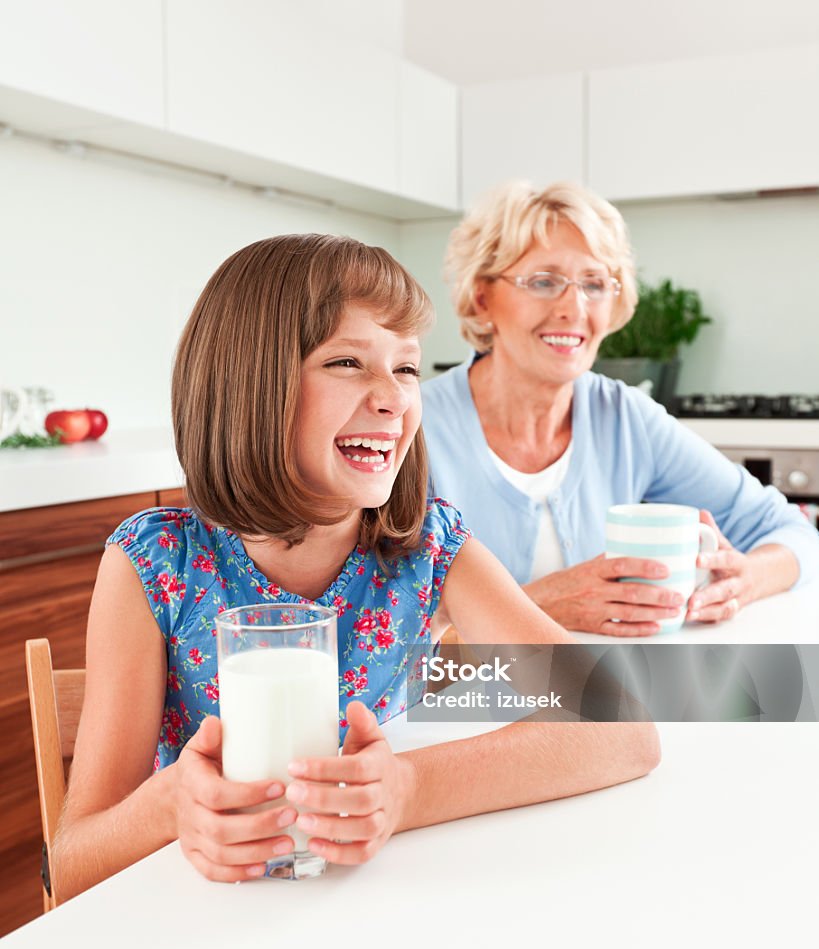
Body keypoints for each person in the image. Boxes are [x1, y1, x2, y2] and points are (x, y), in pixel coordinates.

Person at [52, 234, 659, 900]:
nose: (394, 399)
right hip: (212, 907)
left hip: (367, 900)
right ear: (249, 384)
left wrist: (406, 789)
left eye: (405, 368)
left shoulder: (427, 546)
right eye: (347, 361)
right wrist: (174, 806)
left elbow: (621, 726)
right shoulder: (155, 562)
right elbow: (72, 862)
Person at [422, 181, 819, 636]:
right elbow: (369, 641)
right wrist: (541, 606)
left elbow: (793, 532)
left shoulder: (626, 418)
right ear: (482, 297)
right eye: (544, 281)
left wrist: (743, 581)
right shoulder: (411, 428)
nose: (574, 308)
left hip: (593, 698)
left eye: (594, 284)